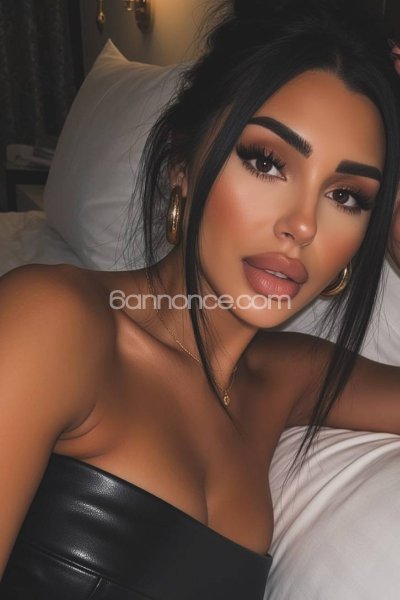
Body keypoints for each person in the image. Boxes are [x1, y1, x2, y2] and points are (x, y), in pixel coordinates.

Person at [1, 0, 400, 598]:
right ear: (182, 166)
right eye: (267, 162)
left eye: (347, 197)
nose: (302, 225)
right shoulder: (53, 319)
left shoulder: (285, 377)